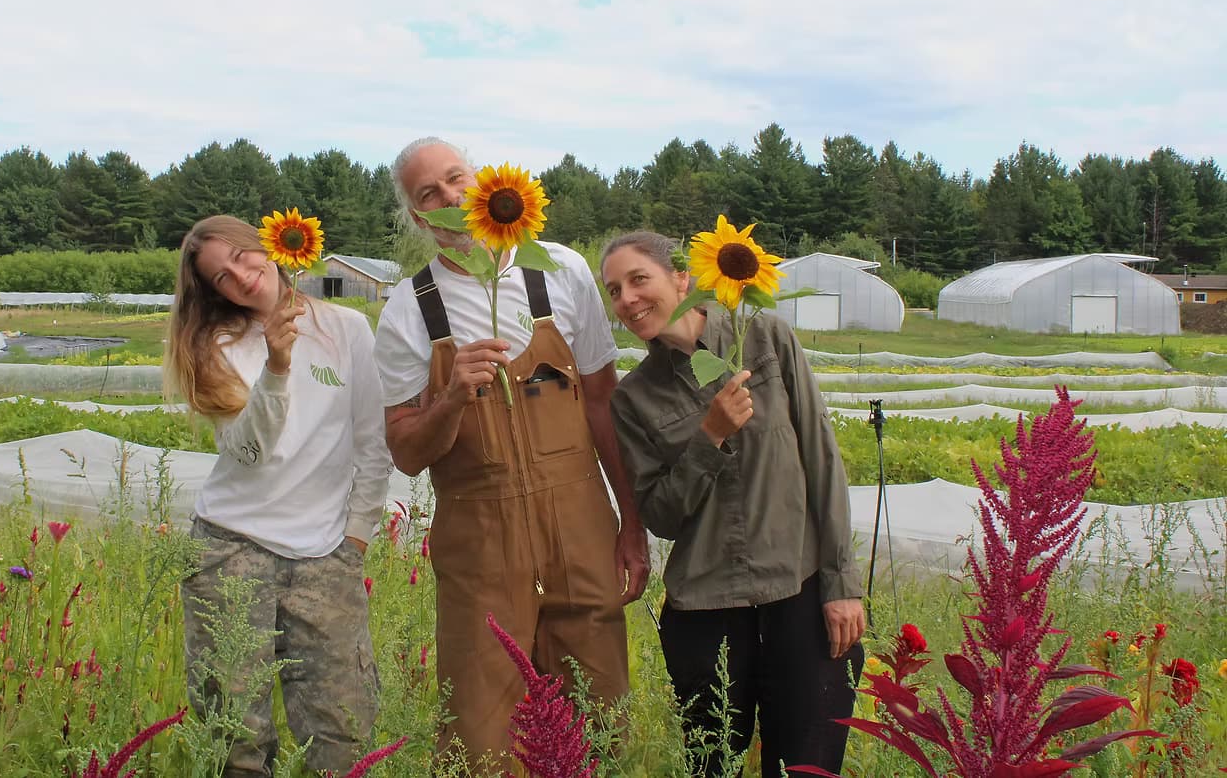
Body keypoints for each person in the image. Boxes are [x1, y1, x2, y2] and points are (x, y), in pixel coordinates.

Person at [372, 137, 651, 771]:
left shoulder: (560, 270)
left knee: (598, 715)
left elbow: (603, 405)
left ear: (481, 182)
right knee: (482, 731)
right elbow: (406, 452)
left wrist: (631, 524)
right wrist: (448, 399)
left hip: (581, 529)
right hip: (481, 544)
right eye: (428, 194)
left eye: (455, 178)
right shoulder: (410, 310)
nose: (449, 197)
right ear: (418, 217)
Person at [600, 231, 865, 778]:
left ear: (682, 278)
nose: (626, 299)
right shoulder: (634, 398)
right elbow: (661, 516)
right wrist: (709, 437)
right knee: (712, 766)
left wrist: (841, 585)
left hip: (800, 590)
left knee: (808, 766)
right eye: (613, 290)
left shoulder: (765, 337)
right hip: (707, 610)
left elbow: (822, 458)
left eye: (638, 279)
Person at [165, 215, 391, 778]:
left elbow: (373, 440)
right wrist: (277, 367)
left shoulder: (347, 329)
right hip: (229, 551)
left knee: (343, 725)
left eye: (242, 256)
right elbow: (248, 454)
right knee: (234, 729)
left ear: (268, 246)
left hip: (326, 553)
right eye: (221, 277)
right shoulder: (215, 346)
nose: (240, 276)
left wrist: (356, 536)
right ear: (214, 293)